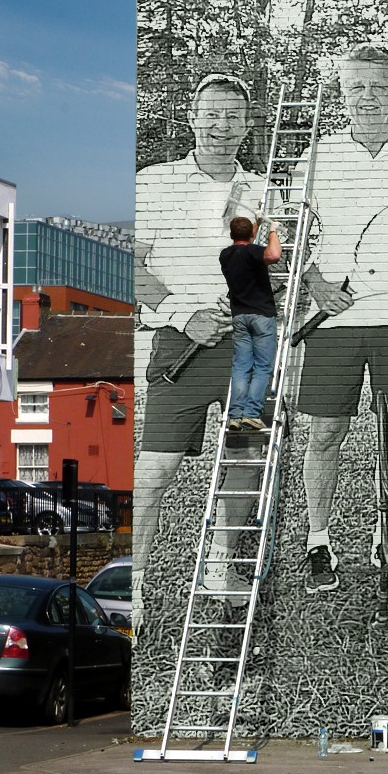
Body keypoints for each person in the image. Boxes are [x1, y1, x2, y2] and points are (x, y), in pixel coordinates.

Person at [297, 44, 388, 594]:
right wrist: (315, 284)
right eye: (357, 86)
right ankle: (318, 540)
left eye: (379, 86)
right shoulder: (315, 158)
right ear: (342, 92)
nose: (368, 96)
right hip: (335, 319)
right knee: (327, 432)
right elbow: (288, 236)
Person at [133, 72, 264, 621]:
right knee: (155, 470)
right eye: (211, 113)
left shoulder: (262, 192)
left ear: (246, 125)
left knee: (244, 456)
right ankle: (131, 584)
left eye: (232, 115)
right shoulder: (153, 182)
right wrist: (183, 315)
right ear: (192, 117)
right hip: (177, 344)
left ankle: (218, 563)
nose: (221, 124)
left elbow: (269, 275)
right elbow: (128, 265)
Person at [219, 215, 282, 431]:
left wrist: (258, 223)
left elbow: (246, 242)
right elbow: (273, 255)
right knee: (263, 367)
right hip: (261, 316)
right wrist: (272, 229)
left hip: (239, 317)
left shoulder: (226, 255)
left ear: (231, 235)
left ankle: (235, 415)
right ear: (252, 235)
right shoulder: (254, 253)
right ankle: (251, 414)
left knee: (241, 367)